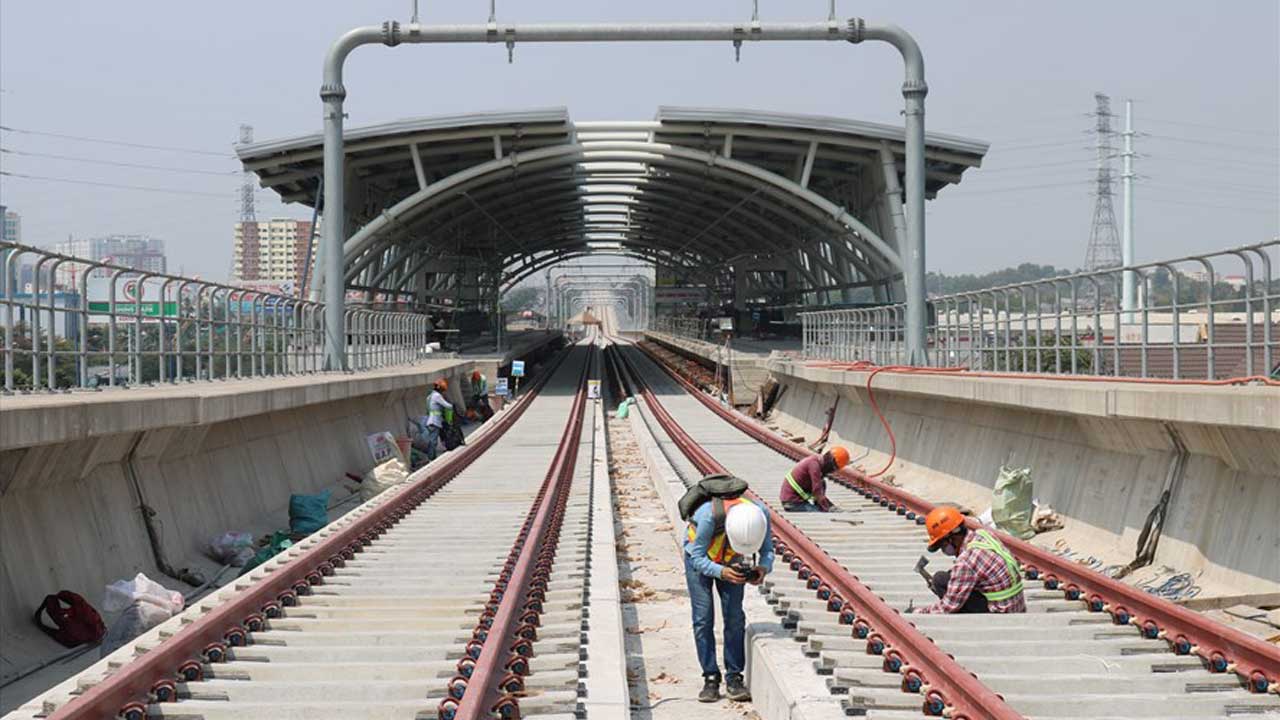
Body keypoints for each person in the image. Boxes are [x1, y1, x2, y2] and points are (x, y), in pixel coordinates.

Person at [685, 493, 774, 703]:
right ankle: (710, 677)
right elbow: (697, 557)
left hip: (730, 561)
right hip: (699, 560)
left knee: (734, 616)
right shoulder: (708, 517)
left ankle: (734, 677)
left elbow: (767, 550)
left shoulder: (760, 516)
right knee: (703, 618)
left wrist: (763, 568)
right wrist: (721, 572)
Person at [913, 506, 1027, 614]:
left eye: (942, 545)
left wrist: (919, 612)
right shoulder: (984, 535)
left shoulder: (966, 561)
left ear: (951, 538)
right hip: (1016, 606)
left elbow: (947, 607)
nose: (943, 550)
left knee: (940, 580)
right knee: (948, 577)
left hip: (1000, 613)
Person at [780, 446, 850, 512]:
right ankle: (821, 506)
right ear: (831, 462)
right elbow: (817, 490)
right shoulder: (814, 465)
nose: (832, 471)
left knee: (822, 483)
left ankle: (820, 505)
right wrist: (829, 507)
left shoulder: (818, 461)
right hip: (792, 502)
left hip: (796, 499)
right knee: (819, 512)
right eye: (834, 468)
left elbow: (819, 488)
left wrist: (828, 505)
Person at [423, 378, 454, 462]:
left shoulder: (429, 396)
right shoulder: (437, 396)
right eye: (443, 390)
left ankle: (431, 457)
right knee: (433, 441)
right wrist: (452, 406)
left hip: (430, 420)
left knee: (432, 440)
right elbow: (447, 405)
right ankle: (431, 458)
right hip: (435, 421)